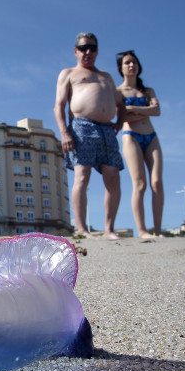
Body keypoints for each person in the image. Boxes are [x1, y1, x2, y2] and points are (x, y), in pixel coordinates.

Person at [54, 32, 125, 240]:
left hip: (106, 130)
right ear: (75, 51)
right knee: (82, 176)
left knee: (113, 177)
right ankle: (82, 229)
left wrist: (119, 124)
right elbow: (59, 106)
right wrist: (64, 132)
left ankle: (109, 229)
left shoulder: (106, 76)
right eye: (83, 48)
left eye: (92, 48)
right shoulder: (68, 73)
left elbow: (121, 104)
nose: (88, 52)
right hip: (81, 126)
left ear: (97, 51)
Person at [116, 50, 164, 239]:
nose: (131, 65)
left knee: (157, 182)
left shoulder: (148, 91)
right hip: (131, 136)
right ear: (121, 67)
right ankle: (142, 230)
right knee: (140, 184)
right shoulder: (118, 92)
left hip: (151, 136)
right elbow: (122, 117)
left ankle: (158, 230)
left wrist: (132, 108)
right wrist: (146, 111)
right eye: (127, 62)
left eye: (134, 62)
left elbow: (157, 110)